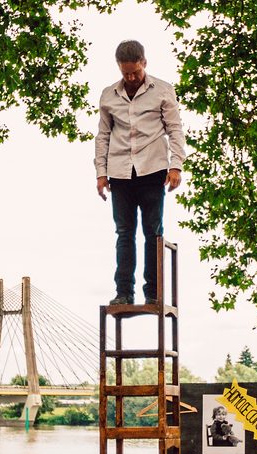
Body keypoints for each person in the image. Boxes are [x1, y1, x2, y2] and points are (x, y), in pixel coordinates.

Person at [94, 40, 186, 306]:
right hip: (120, 173)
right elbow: (103, 136)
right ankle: (124, 292)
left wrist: (176, 165)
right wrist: (101, 173)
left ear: (144, 63)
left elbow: (175, 130)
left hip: (152, 170)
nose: (131, 78)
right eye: (126, 74)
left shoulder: (163, 91)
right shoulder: (108, 95)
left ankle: (153, 293)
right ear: (119, 69)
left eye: (135, 72)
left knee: (152, 231)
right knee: (124, 232)